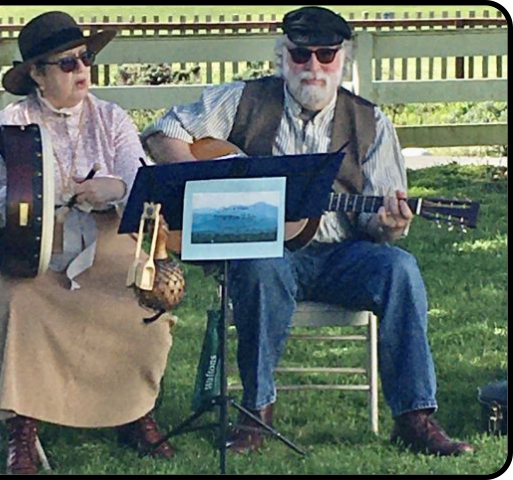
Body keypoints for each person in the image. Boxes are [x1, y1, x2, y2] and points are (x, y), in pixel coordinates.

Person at [141, 6, 475, 457]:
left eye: (325, 55)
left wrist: (389, 223)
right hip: (267, 251)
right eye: (301, 55)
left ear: (343, 59)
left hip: (343, 257)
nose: (313, 67)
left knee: (400, 268)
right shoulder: (244, 99)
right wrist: (210, 183)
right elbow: (162, 133)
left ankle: (414, 417)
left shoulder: (371, 123)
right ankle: (256, 412)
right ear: (283, 56)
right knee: (261, 264)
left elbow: (376, 226)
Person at [0, 11, 175, 475]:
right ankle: (23, 426)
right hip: (26, 241)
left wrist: (112, 190)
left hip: (105, 236)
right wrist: (44, 193)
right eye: (67, 63)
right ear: (36, 74)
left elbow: (143, 181)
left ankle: (133, 410)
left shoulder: (112, 118)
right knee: (19, 300)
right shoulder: (10, 124)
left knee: (138, 294)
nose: (82, 71)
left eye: (86, 59)